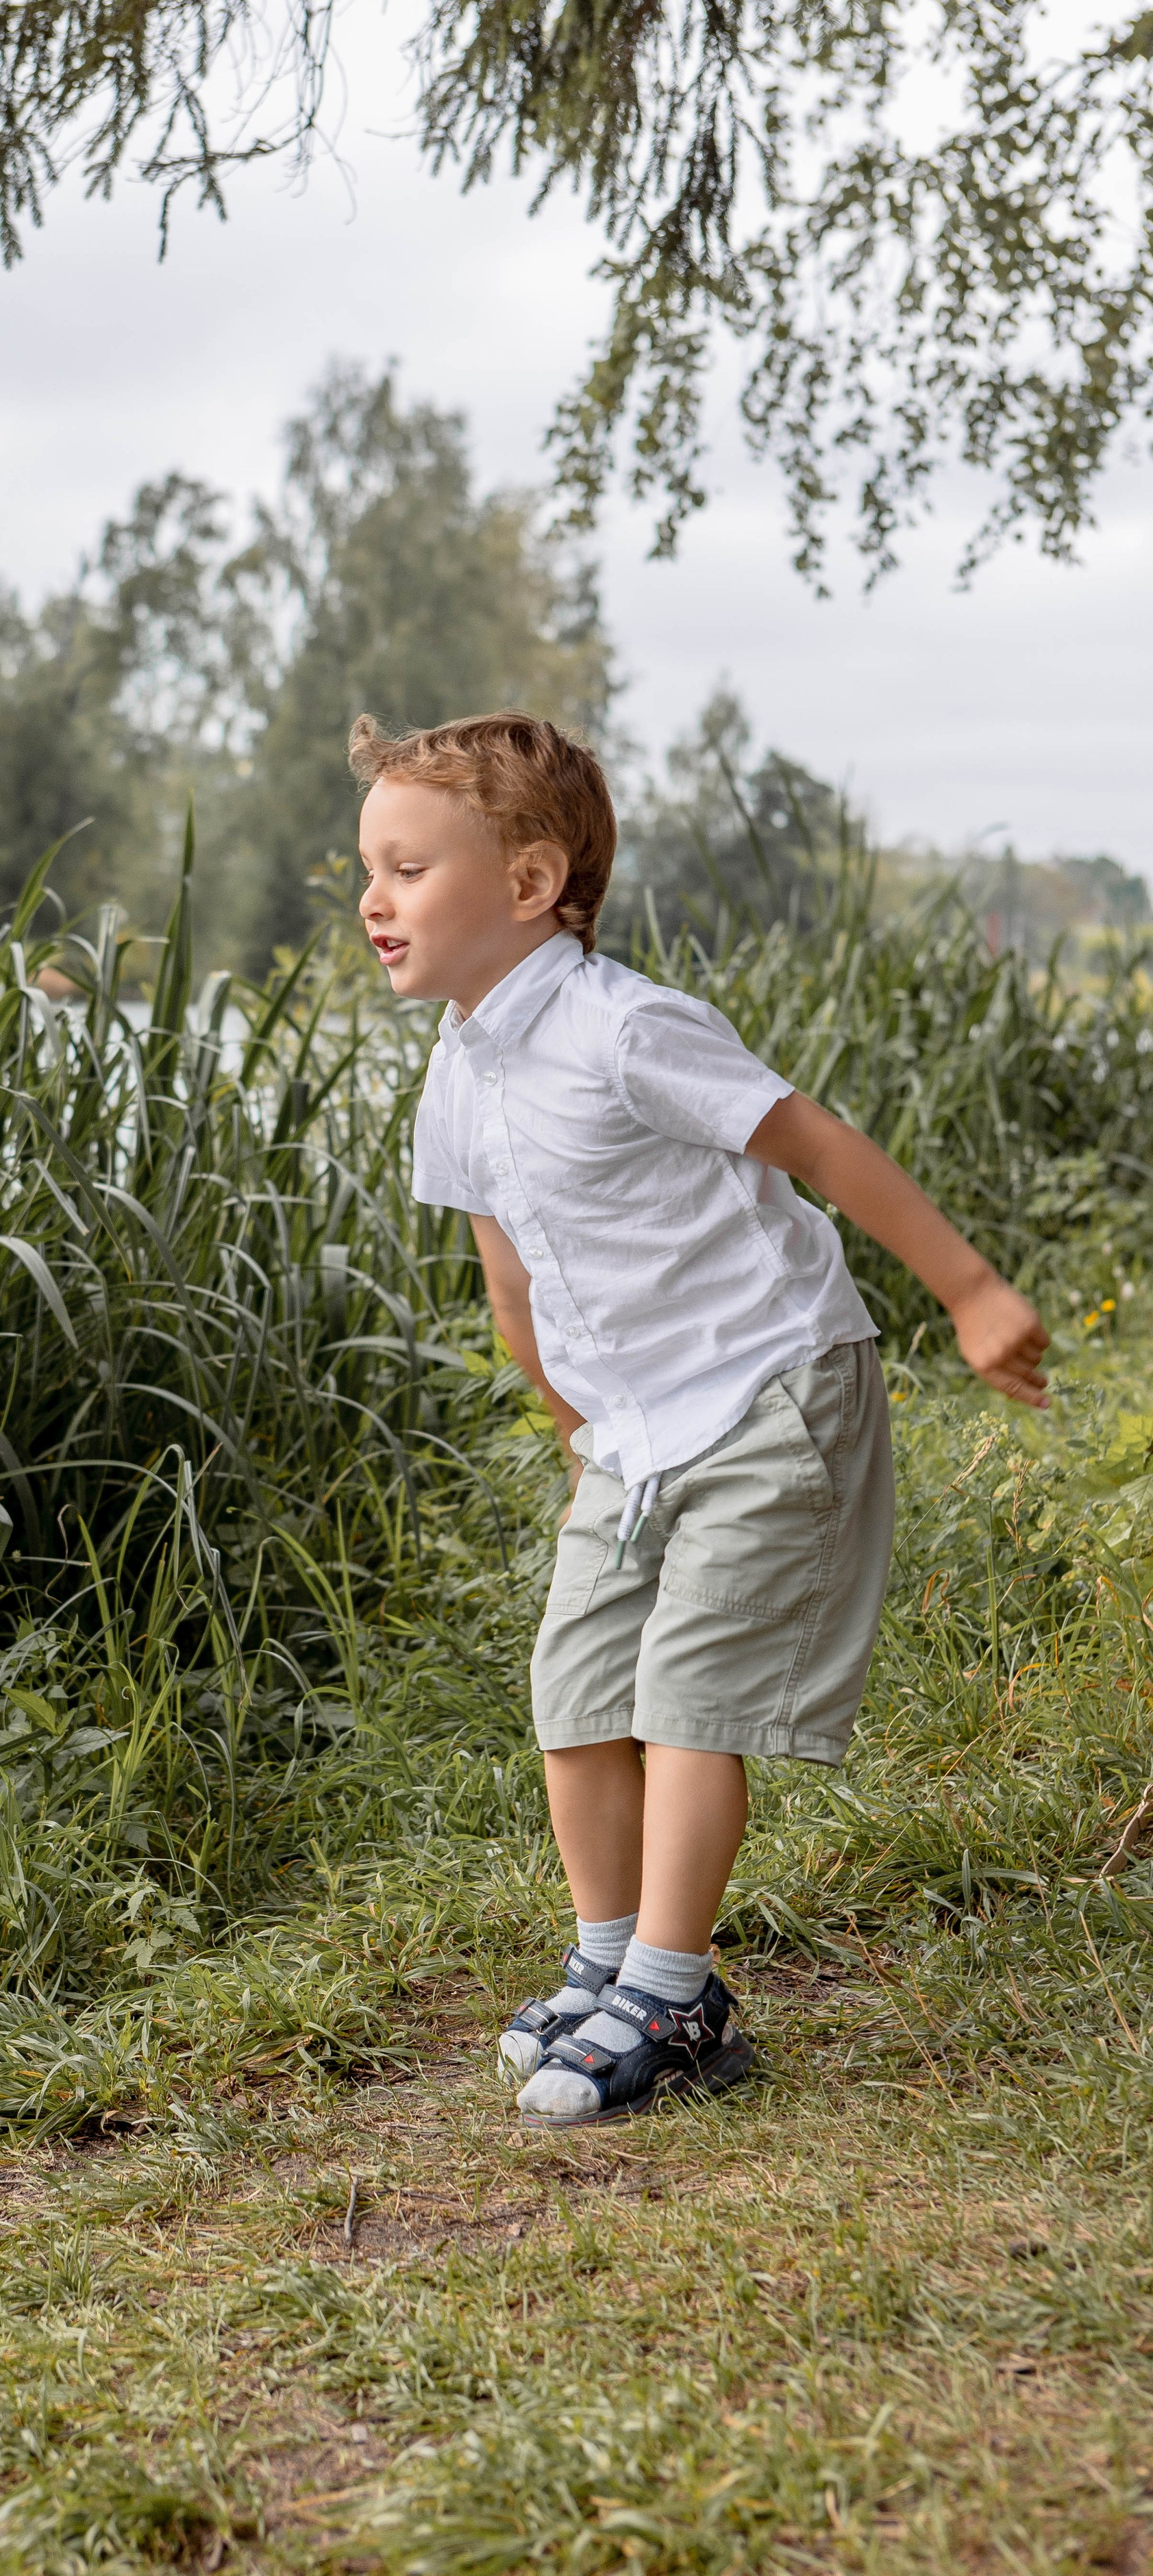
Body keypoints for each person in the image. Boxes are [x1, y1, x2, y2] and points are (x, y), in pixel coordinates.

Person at [353, 710, 1050, 2125]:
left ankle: (670, 1999)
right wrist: (566, 1419)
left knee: (686, 1695)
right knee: (575, 1688)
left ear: (533, 884)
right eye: (364, 868)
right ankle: (604, 1961)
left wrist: (970, 1294)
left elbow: (813, 1142)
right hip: (631, 1431)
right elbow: (507, 1265)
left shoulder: (624, 1029)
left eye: (407, 868)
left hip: (766, 1384)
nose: (371, 899)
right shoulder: (458, 1064)